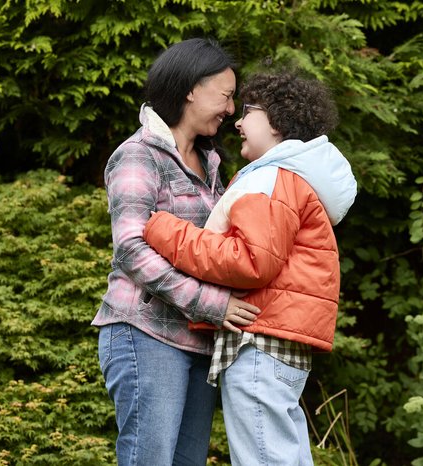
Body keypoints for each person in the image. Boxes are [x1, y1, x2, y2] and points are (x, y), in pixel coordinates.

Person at [143, 71, 358, 465]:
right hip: (278, 343)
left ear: (276, 120)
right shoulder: (290, 178)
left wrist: (164, 229)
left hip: (259, 343)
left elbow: (249, 261)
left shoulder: (271, 179)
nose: (237, 121)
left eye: (248, 111)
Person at [92, 38, 262, 466]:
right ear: (191, 89)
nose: (229, 110)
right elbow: (131, 249)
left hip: (198, 341)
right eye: (225, 96)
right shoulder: (138, 155)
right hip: (145, 333)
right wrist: (210, 303)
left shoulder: (211, 164)